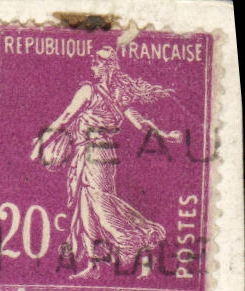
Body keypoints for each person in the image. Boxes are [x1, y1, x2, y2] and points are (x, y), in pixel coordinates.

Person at [31, 47, 183, 278]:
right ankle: (95, 265)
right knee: (86, 210)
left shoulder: (88, 90)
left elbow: (66, 117)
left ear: (106, 66)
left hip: (93, 154)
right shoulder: (119, 94)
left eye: (97, 62)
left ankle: (129, 240)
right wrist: (163, 134)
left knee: (101, 206)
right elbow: (140, 121)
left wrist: (42, 140)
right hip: (104, 155)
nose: (93, 65)